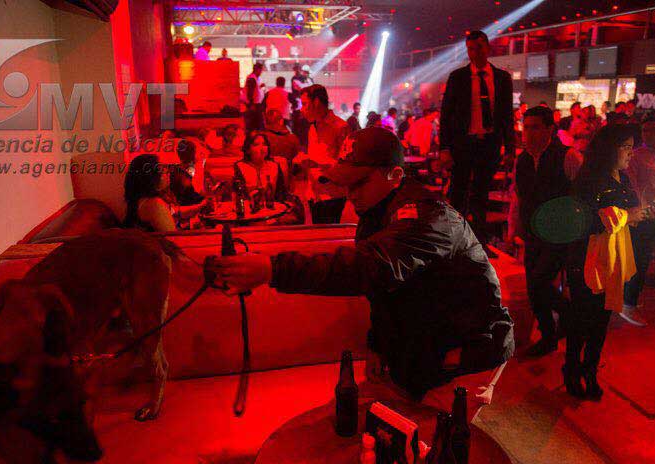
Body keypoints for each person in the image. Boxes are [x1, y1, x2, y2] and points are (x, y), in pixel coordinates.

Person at [210, 128, 514, 400]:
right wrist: (378, 347)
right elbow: (385, 291)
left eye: (359, 183)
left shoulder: (427, 218)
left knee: (437, 438)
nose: (351, 194)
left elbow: (369, 267)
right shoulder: (376, 210)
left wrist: (272, 269)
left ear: (395, 174)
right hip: (425, 347)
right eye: (348, 184)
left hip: (464, 354)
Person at [566, 124, 642, 399]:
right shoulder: (589, 180)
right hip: (586, 259)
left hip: (613, 257)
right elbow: (582, 221)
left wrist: (634, 215)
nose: (631, 153)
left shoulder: (623, 177)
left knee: (601, 319)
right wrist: (626, 216)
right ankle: (571, 370)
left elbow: (632, 208)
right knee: (581, 319)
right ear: (610, 149)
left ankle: (590, 370)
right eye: (626, 147)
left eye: (632, 147)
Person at [439, 30, 515, 256]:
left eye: (479, 47)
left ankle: (479, 243)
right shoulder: (458, 77)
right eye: (471, 49)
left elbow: (506, 116)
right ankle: (455, 243)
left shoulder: (501, 78)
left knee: (482, 195)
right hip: (463, 143)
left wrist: (510, 148)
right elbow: (446, 114)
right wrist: (444, 148)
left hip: (489, 143)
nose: (475, 53)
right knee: (458, 194)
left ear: (488, 48)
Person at [515, 106, 580, 357]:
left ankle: (565, 318)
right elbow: (519, 197)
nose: (529, 133)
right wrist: (515, 227)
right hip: (532, 232)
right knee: (534, 287)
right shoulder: (522, 159)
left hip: (558, 234)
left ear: (550, 130)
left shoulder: (568, 156)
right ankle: (552, 331)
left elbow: (583, 194)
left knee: (539, 283)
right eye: (526, 127)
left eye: (535, 127)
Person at [622, 116, 655, 326]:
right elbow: (632, 186)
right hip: (642, 215)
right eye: (645, 131)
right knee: (638, 260)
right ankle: (628, 303)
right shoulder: (635, 156)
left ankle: (630, 299)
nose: (649, 134)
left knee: (644, 258)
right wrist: (644, 208)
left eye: (653, 130)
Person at [297, 84, 350, 224]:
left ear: (316, 102)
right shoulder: (312, 127)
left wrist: (318, 163)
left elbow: (346, 165)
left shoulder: (340, 127)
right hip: (314, 193)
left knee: (329, 233)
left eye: (304, 104)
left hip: (332, 195)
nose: (301, 109)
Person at [234, 131, 303, 225]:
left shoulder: (274, 166)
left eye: (264, 144)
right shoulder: (240, 166)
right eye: (256, 145)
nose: (262, 148)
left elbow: (281, 193)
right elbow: (240, 195)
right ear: (248, 149)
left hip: (273, 211)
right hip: (250, 213)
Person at [123, 154, 178, 232]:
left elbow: (174, 211)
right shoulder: (155, 204)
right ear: (150, 177)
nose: (168, 172)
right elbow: (173, 236)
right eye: (162, 170)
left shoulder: (141, 201)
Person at [169, 139, 205, 207]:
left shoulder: (178, 169)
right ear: (192, 154)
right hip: (187, 209)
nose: (201, 155)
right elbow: (191, 197)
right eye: (197, 152)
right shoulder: (180, 174)